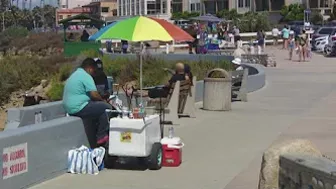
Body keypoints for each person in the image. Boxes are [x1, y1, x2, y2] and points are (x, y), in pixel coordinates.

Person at [62, 58, 111, 146]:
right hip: (78, 107)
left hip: (69, 108)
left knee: (97, 108)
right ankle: (101, 136)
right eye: (94, 71)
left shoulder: (75, 74)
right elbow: (94, 95)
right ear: (90, 68)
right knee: (106, 108)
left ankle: (95, 136)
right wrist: (103, 101)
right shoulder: (86, 76)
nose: (94, 73)